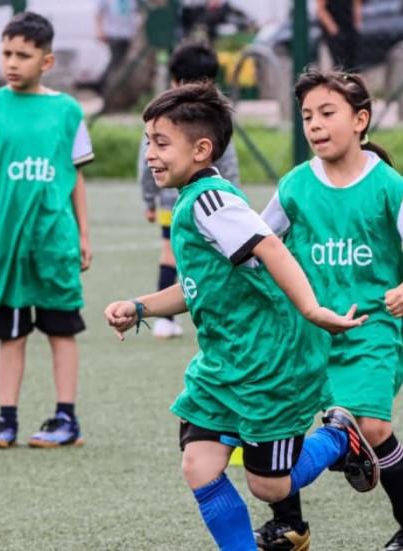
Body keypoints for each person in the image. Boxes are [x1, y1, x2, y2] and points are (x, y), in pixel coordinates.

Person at [104, 82, 379, 551]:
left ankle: (337, 437)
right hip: (223, 367)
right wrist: (142, 307)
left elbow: (271, 246)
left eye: (161, 143)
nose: (150, 154)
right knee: (199, 467)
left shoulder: (213, 201)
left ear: (201, 149)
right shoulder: (190, 203)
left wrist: (312, 310)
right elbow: (198, 289)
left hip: (268, 366)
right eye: (148, 141)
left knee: (269, 487)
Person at [255, 68, 403, 551]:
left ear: (360, 120)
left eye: (326, 113)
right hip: (308, 329)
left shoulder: (388, 186)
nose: (314, 124)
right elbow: (258, 241)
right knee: (283, 424)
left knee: (375, 426)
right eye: (306, 116)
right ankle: (290, 525)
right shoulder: (294, 185)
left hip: (371, 326)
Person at [0, 12, 95, 450]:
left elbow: (75, 177)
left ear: (47, 61)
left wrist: (84, 235)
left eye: (23, 55)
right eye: (6, 54)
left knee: (61, 328)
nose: (12, 63)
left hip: (53, 242)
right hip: (4, 243)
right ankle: (5, 419)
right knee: (9, 332)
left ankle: (65, 417)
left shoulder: (67, 111)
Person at [137, 41, 240, 339]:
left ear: (174, 81)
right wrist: (232, 193)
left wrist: (149, 200)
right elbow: (230, 164)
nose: (154, 150)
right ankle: (172, 315)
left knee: (172, 253)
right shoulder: (169, 118)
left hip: (179, 204)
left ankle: (167, 319)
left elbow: (144, 165)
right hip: (192, 203)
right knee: (211, 258)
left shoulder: (166, 116)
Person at [95, 0, 139, 90]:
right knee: (116, 61)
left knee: (121, 62)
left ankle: (106, 84)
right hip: (114, 34)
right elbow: (99, 13)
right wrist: (100, 31)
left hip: (128, 34)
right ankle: (104, 84)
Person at [316, 0, 361, 71]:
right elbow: (321, 10)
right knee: (338, 65)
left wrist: (356, 25)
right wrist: (335, 31)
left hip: (349, 27)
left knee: (353, 65)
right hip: (334, 32)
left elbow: (356, 5)